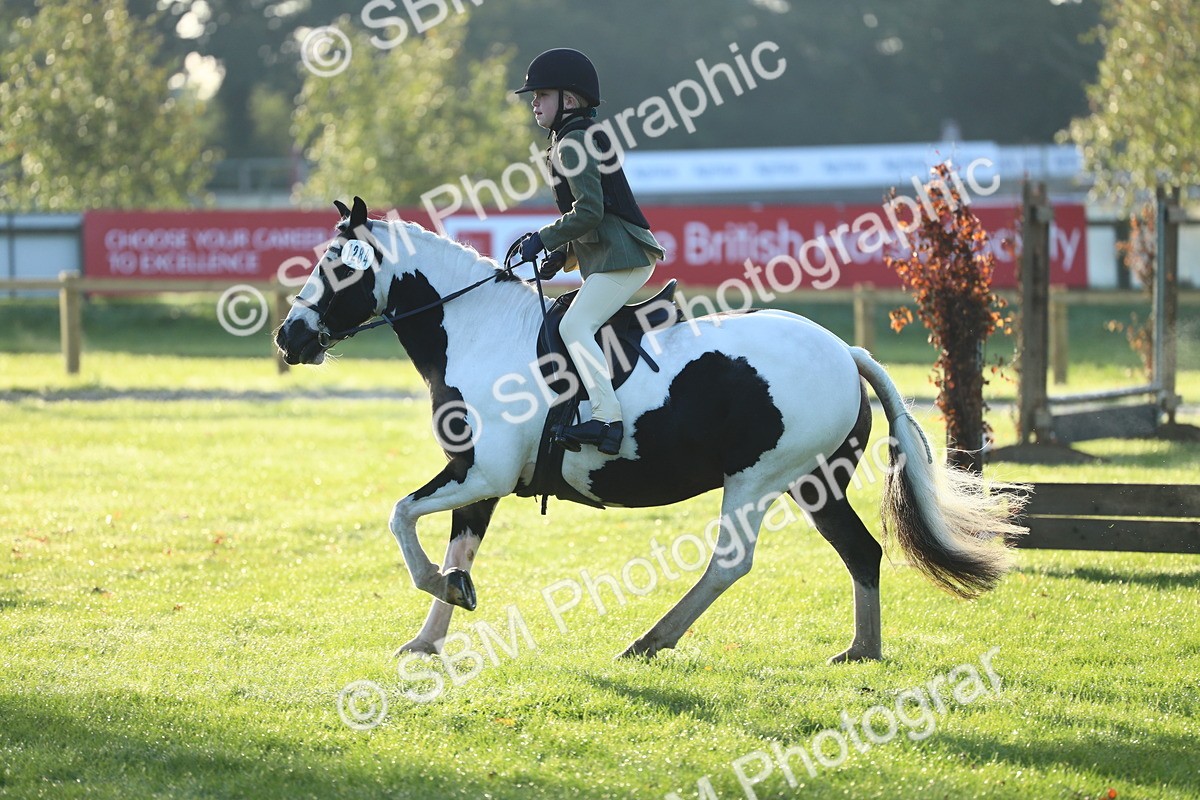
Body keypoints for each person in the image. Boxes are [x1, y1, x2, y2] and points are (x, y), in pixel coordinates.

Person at [513, 48, 665, 456]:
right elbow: (592, 214)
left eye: (542, 94)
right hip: (615, 255)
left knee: (573, 327)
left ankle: (608, 420)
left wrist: (543, 238)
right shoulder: (571, 138)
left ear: (570, 100)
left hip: (625, 257)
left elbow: (591, 211)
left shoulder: (572, 143)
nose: (534, 102)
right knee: (568, 320)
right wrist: (562, 253)